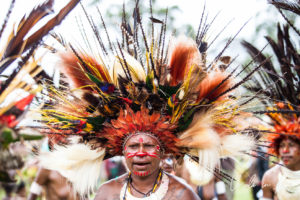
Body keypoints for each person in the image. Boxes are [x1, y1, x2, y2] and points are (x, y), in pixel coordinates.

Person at [37, 2, 258, 200]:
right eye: (133, 145)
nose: (141, 153)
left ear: (162, 151)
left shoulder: (182, 194)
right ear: (122, 151)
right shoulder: (107, 193)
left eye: (149, 145)